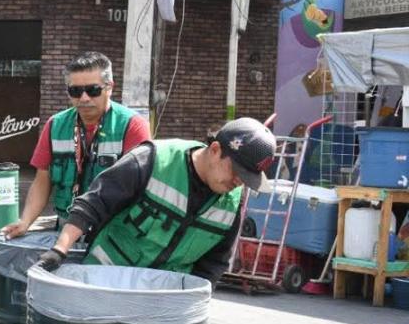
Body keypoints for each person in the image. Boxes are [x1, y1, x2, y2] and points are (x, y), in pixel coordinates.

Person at [30, 117, 276, 283]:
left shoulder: (232, 201)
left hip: (161, 300)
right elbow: (94, 203)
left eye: (247, 179)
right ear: (215, 150)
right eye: (237, 172)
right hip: (104, 281)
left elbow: (215, 262)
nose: (238, 182)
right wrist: (60, 249)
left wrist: (193, 299)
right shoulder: (153, 160)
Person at [2, 52, 150, 238]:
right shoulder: (55, 125)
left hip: (114, 231)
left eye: (93, 90)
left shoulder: (133, 126)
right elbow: (42, 180)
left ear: (109, 87)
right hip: (66, 227)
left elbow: (140, 188)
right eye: (75, 91)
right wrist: (25, 222)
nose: (84, 98)